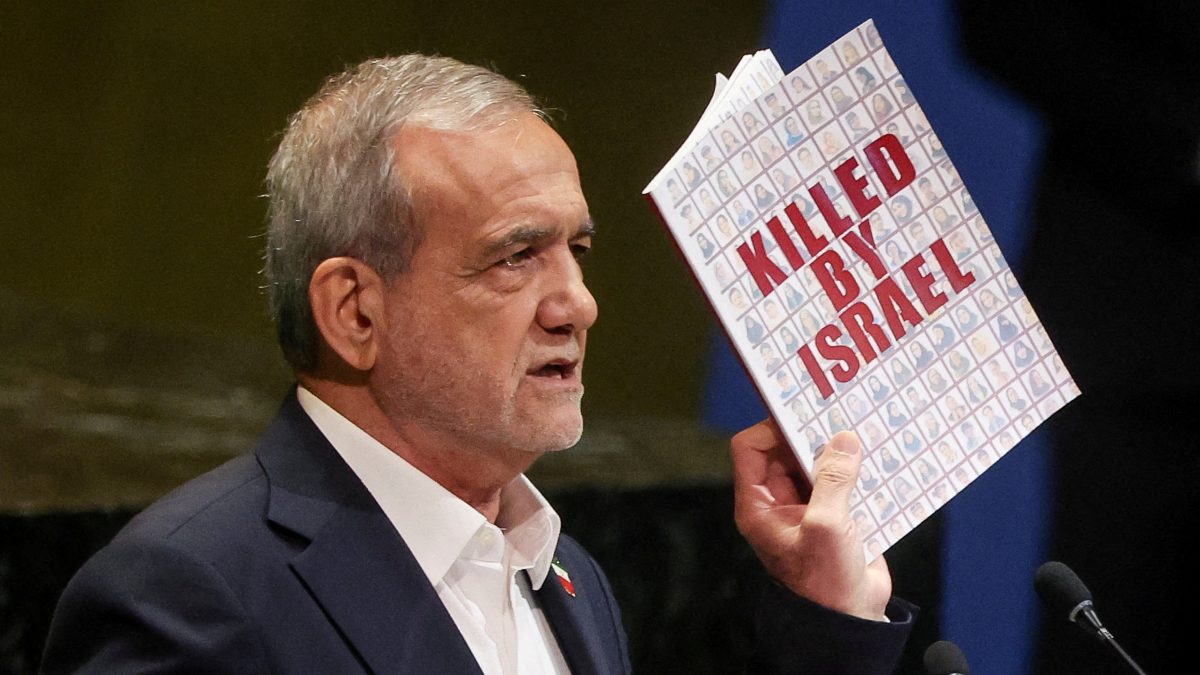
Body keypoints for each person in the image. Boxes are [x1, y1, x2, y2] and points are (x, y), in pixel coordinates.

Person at [41, 56, 914, 674]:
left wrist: (828, 621)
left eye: (577, 249)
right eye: (515, 256)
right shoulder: (191, 595)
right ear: (355, 311)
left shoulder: (569, 577)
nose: (578, 302)